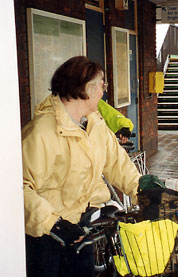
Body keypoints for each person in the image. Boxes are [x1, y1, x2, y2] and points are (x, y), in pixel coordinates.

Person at [22, 56, 141, 277]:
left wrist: (142, 193)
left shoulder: (94, 123)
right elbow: (20, 188)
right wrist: (54, 224)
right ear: (86, 88)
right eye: (102, 84)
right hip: (46, 236)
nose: (103, 92)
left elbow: (118, 164)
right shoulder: (41, 132)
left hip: (80, 228)